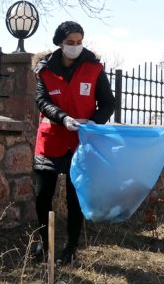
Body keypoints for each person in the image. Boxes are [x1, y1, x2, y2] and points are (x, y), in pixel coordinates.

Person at [31, 21, 115, 265]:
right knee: (43, 196)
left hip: (81, 141)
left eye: (79, 42)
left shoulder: (94, 68)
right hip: (51, 139)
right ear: (60, 43)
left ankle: (70, 247)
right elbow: (42, 100)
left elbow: (108, 103)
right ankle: (44, 243)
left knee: (74, 197)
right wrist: (63, 117)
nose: (75, 47)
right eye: (70, 43)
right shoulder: (44, 70)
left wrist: (91, 122)